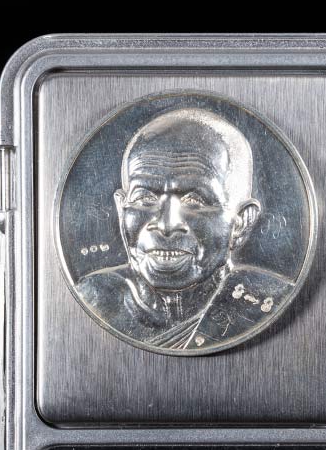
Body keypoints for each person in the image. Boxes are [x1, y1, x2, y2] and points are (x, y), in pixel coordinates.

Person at [76, 108, 293, 351]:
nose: (166, 225)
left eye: (194, 201)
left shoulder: (266, 301)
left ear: (241, 222)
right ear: (121, 210)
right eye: (144, 199)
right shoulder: (96, 298)